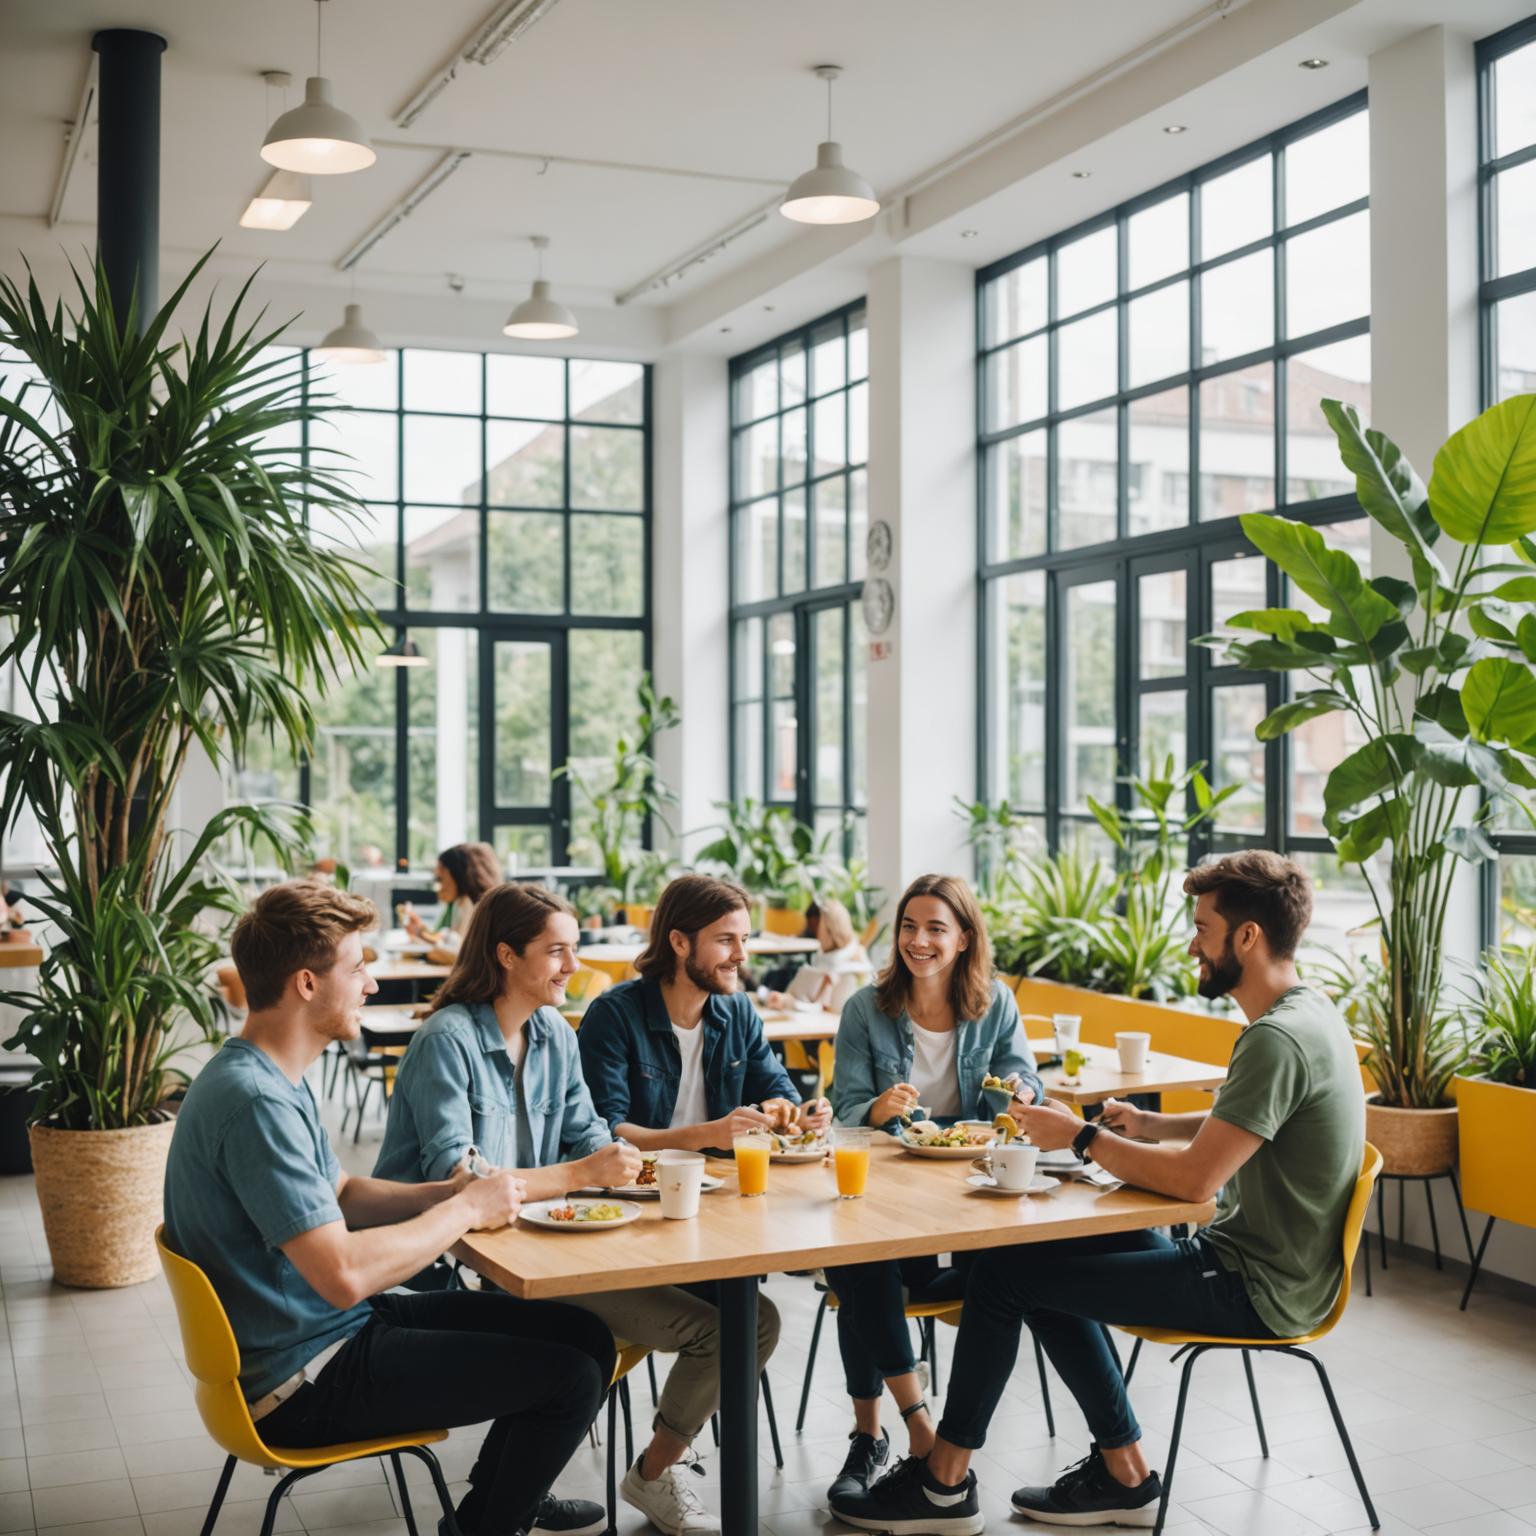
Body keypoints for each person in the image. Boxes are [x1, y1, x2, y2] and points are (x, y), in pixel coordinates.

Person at [830, 850, 1366, 1534]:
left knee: (1002, 1276)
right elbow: (1249, 1120)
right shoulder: (1306, 1013)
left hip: (1253, 1282)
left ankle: (942, 1482)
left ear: (1247, 937)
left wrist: (1078, 1138)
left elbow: (1196, 1181)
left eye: (1202, 928)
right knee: (1050, 1254)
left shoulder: (1274, 1040)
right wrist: (1153, 1123)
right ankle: (1126, 1474)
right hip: (1263, 1263)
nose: (1191, 943)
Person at [163, 882, 614, 1536]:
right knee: (570, 1379)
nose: (371, 985)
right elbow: (341, 1274)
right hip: (307, 1378)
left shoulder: (263, 1075)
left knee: (583, 1335)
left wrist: (453, 1194)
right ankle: (491, 1524)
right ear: (306, 984)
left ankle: (491, 1512)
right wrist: (463, 1214)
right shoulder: (257, 1101)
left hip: (323, 1333)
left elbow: (342, 1193)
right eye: (358, 967)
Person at [377, 880, 767, 1536]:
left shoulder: (554, 1032)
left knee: (608, 1341)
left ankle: (514, 1493)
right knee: (607, 1345)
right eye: (557, 952)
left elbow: (590, 1135)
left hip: (547, 1240)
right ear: (505, 956)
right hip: (451, 1256)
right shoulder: (449, 1039)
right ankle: (528, 1497)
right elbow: (461, 1175)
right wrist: (584, 1172)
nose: (575, 966)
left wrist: (636, 1166)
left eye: (575, 950)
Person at [575, 873, 819, 1533]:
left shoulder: (735, 1011)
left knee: (756, 1320)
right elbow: (605, 1133)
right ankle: (659, 1473)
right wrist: (707, 1136)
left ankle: (656, 1467)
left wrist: (795, 1109)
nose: (742, 954)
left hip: (709, 1220)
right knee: (747, 1325)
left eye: (743, 939)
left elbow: (773, 1087)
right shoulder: (616, 1014)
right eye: (726, 940)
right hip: (626, 1223)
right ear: (679, 941)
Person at [821, 873, 1041, 1505]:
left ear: (966, 938)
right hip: (894, 1185)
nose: (919, 941)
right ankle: (904, 1432)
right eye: (909, 927)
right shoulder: (867, 1007)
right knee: (858, 1263)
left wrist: (1024, 1090)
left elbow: (1024, 1073)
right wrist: (877, 1106)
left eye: (936, 928)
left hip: (972, 1189)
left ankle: (901, 1444)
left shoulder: (995, 1002)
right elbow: (845, 1111)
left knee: (868, 1277)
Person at [761, 897, 872, 1014]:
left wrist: (790, 1002)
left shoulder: (852, 971)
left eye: (816, 928)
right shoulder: (827, 958)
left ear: (829, 930)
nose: (813, 933)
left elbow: (827, 1013)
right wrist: (786, 1000)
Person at [403, 841, 502, 962]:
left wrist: (429, 949)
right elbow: (443, 939)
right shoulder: (456, 905)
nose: (439, 888)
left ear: (459, 875)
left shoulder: (474, 907)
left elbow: (463, 956)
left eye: (441, 879)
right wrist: (420, 931)